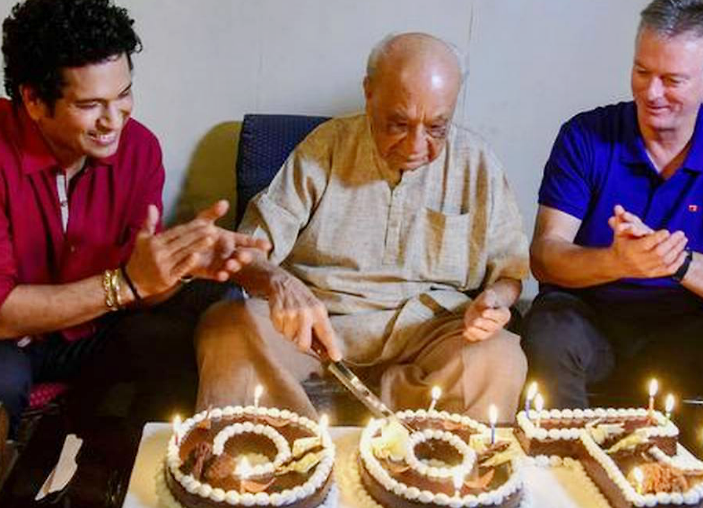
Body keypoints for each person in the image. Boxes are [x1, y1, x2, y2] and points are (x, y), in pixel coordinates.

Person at [196, 32, 529, 422]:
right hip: (318, 329)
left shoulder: (477, 161)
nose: (415, 146)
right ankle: (290, 457)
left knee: (500, 357)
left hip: (430, 329)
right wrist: (278, 282)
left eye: (437, 127)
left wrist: (495, 302)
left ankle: (430, 473)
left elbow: (510, 272)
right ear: (369, 93)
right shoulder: (326, 147)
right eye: (399, 124)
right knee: (225, 327)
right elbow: (247, 250)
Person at [0, 0, 268, 437]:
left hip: (90, 332)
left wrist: (175, 268)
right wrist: (125, 284)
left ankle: (138, 485)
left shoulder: (140, 149)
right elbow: (3, 313)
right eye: (89, 104)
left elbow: (141, 290)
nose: (114, 120)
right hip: (7, 343)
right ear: (32, 99)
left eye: (123, 94)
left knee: (191, 329)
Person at [524, 0, 703, 409]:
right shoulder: (586, 136)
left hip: (683, 329)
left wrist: (675, 262)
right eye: (642, 72)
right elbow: (545, 256)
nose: (652, 93)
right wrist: (620, 261)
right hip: (588, 320)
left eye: (672, 80)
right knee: (550, 330)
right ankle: (562, 460)